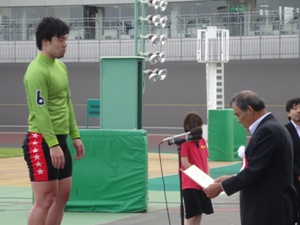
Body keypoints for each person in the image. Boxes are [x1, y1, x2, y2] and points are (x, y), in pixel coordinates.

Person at [22, 16, 85, 225]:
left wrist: (74, 136)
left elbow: (66, 103)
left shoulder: (60, 67)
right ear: (45, 41)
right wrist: (53, 144)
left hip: (60, 139)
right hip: (41, 141)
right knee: (45, 198)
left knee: (62, 195)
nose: (65, 44)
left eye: (66, 39)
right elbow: (40, 112)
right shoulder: (36, 71)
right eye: (61, 39)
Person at [204, 90, 297, 225]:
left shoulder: (267, 131)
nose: (238, 120)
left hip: (268, 210)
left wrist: (222, 187)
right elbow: (263, 169)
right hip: (271, 207)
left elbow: (254, 171)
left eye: (238, 115)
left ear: (249, 110)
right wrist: (233, 178)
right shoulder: (272, 127)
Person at [180, 112, 214, 225]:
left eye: (200, 126)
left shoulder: (202, 141)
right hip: (190, 184)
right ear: (188, 127)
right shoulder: (183, 142)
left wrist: (207, 179)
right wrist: (199, 176)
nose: (198, 129)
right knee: (191, 216)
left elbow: (205, 161)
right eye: (196, 126)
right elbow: (185, 162)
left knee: (199, 215)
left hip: (203, 183)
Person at [285, 98, 300, 224]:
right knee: (290, 215)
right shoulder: (284, 131)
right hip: (291, 181)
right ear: (288, 113)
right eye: (294, 108)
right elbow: (284, 156)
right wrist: (297, 173)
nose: (298, 111)